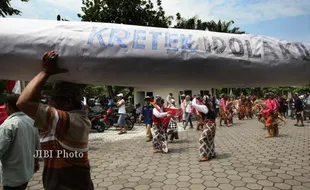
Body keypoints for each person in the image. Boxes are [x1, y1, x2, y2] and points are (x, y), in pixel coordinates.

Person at [16, 51, 94, 190]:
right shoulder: (61, 121)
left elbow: (23, 102)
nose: (48, 103)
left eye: (52, 100)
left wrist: (46, 72)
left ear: (67, 103)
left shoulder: (73, 122)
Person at [0, 94, 40, 190]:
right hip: (26, 172)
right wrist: (36, 162)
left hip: (13, 177)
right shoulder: (31, 121)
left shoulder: (8, 125)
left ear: (8, 106)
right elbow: (37, 144)